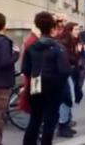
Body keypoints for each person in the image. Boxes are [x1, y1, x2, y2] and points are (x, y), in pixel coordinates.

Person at [22, 12, 71, 145]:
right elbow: (65, 71)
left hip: (35, 84)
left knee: (35, 119)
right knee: (50, 120)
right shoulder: (58, 48)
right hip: (53, 87)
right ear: (53, 28)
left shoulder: (31, 46)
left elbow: (25, 69)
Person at [0, 13, 20, 145]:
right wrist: (16, 54)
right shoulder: (3, 42)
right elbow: (4, 63)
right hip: (0, 85)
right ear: (3, 26)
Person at [56, 22, 82, 137]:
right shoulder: (64, 44)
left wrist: (79, 51)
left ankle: (65, 123)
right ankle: (62, 125)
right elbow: (69, 59)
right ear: (70, 31)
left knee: (69, 99)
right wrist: (78, 52)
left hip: (71, 72)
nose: (78, 32)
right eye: (76, 29)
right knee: (66, 99)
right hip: (65, 73)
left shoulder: (74, 42)